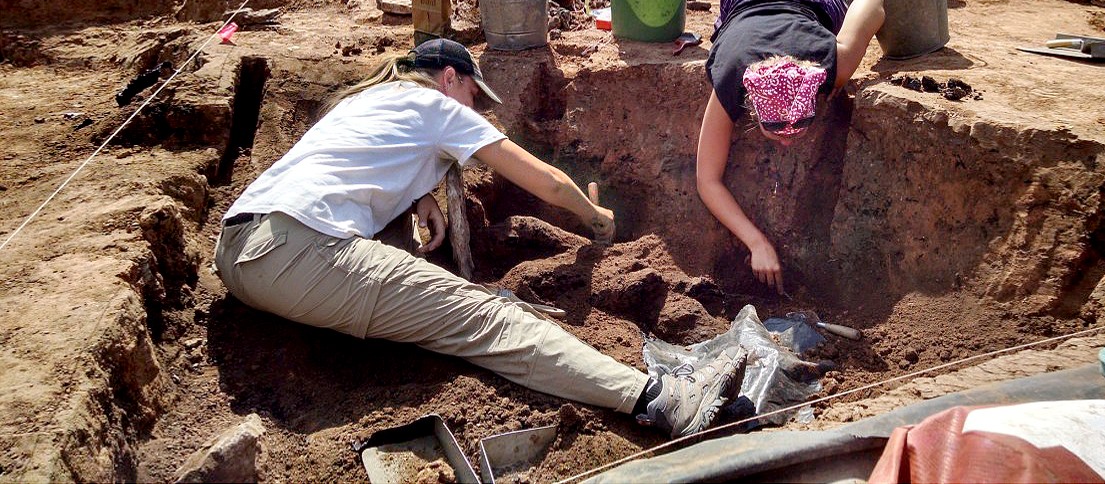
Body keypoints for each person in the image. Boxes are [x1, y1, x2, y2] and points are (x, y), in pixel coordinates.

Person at [214, 38, 745, 438]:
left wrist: (421, 197)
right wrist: (594, 215)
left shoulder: (364, 101)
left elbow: (367, 162)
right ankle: (660, 398)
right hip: (296, 254)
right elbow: (547, 180)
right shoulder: (439, 107)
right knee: (486, 317)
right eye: (473, 95)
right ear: (450, 78)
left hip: (241, 251)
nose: (473, 109)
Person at [696, 0, 886, 293]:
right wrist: (757, 243)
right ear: (752, 108)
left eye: (799, 129)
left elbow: (873, 0)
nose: (787, 142)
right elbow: (706, 180)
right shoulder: (731, 77)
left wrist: (857, 8)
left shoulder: (831, 63)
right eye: (777, 132)